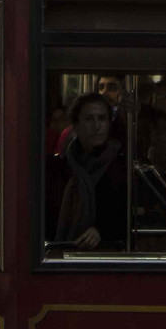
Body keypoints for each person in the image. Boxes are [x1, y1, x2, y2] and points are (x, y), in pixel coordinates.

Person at [49, 92, 127, 250]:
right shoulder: (59, 167)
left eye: (102, 119)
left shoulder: (121, 167)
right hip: (60, 258)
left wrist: (101, 231)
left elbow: (125, 216)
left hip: (107, 257)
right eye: (89, 119)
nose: (97, 126)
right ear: (75, 125)